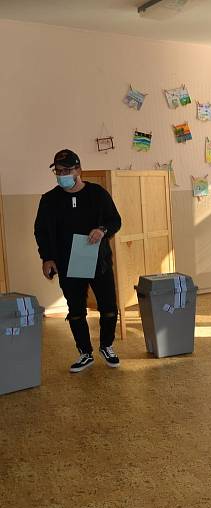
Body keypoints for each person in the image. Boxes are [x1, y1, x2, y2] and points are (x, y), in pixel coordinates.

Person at [34, 149, 122, 373]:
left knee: (109, 307)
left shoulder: (97, 194)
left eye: (67, 170)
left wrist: (102, 230)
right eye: (58, 171)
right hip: (67, 263)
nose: (62, 174)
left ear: (79, 169)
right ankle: (85, 353)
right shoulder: (49, 200)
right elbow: (41, 231)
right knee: (75, 310)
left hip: (97, 261)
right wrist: (47, 258)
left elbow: (115, 220)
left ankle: (107, 346)